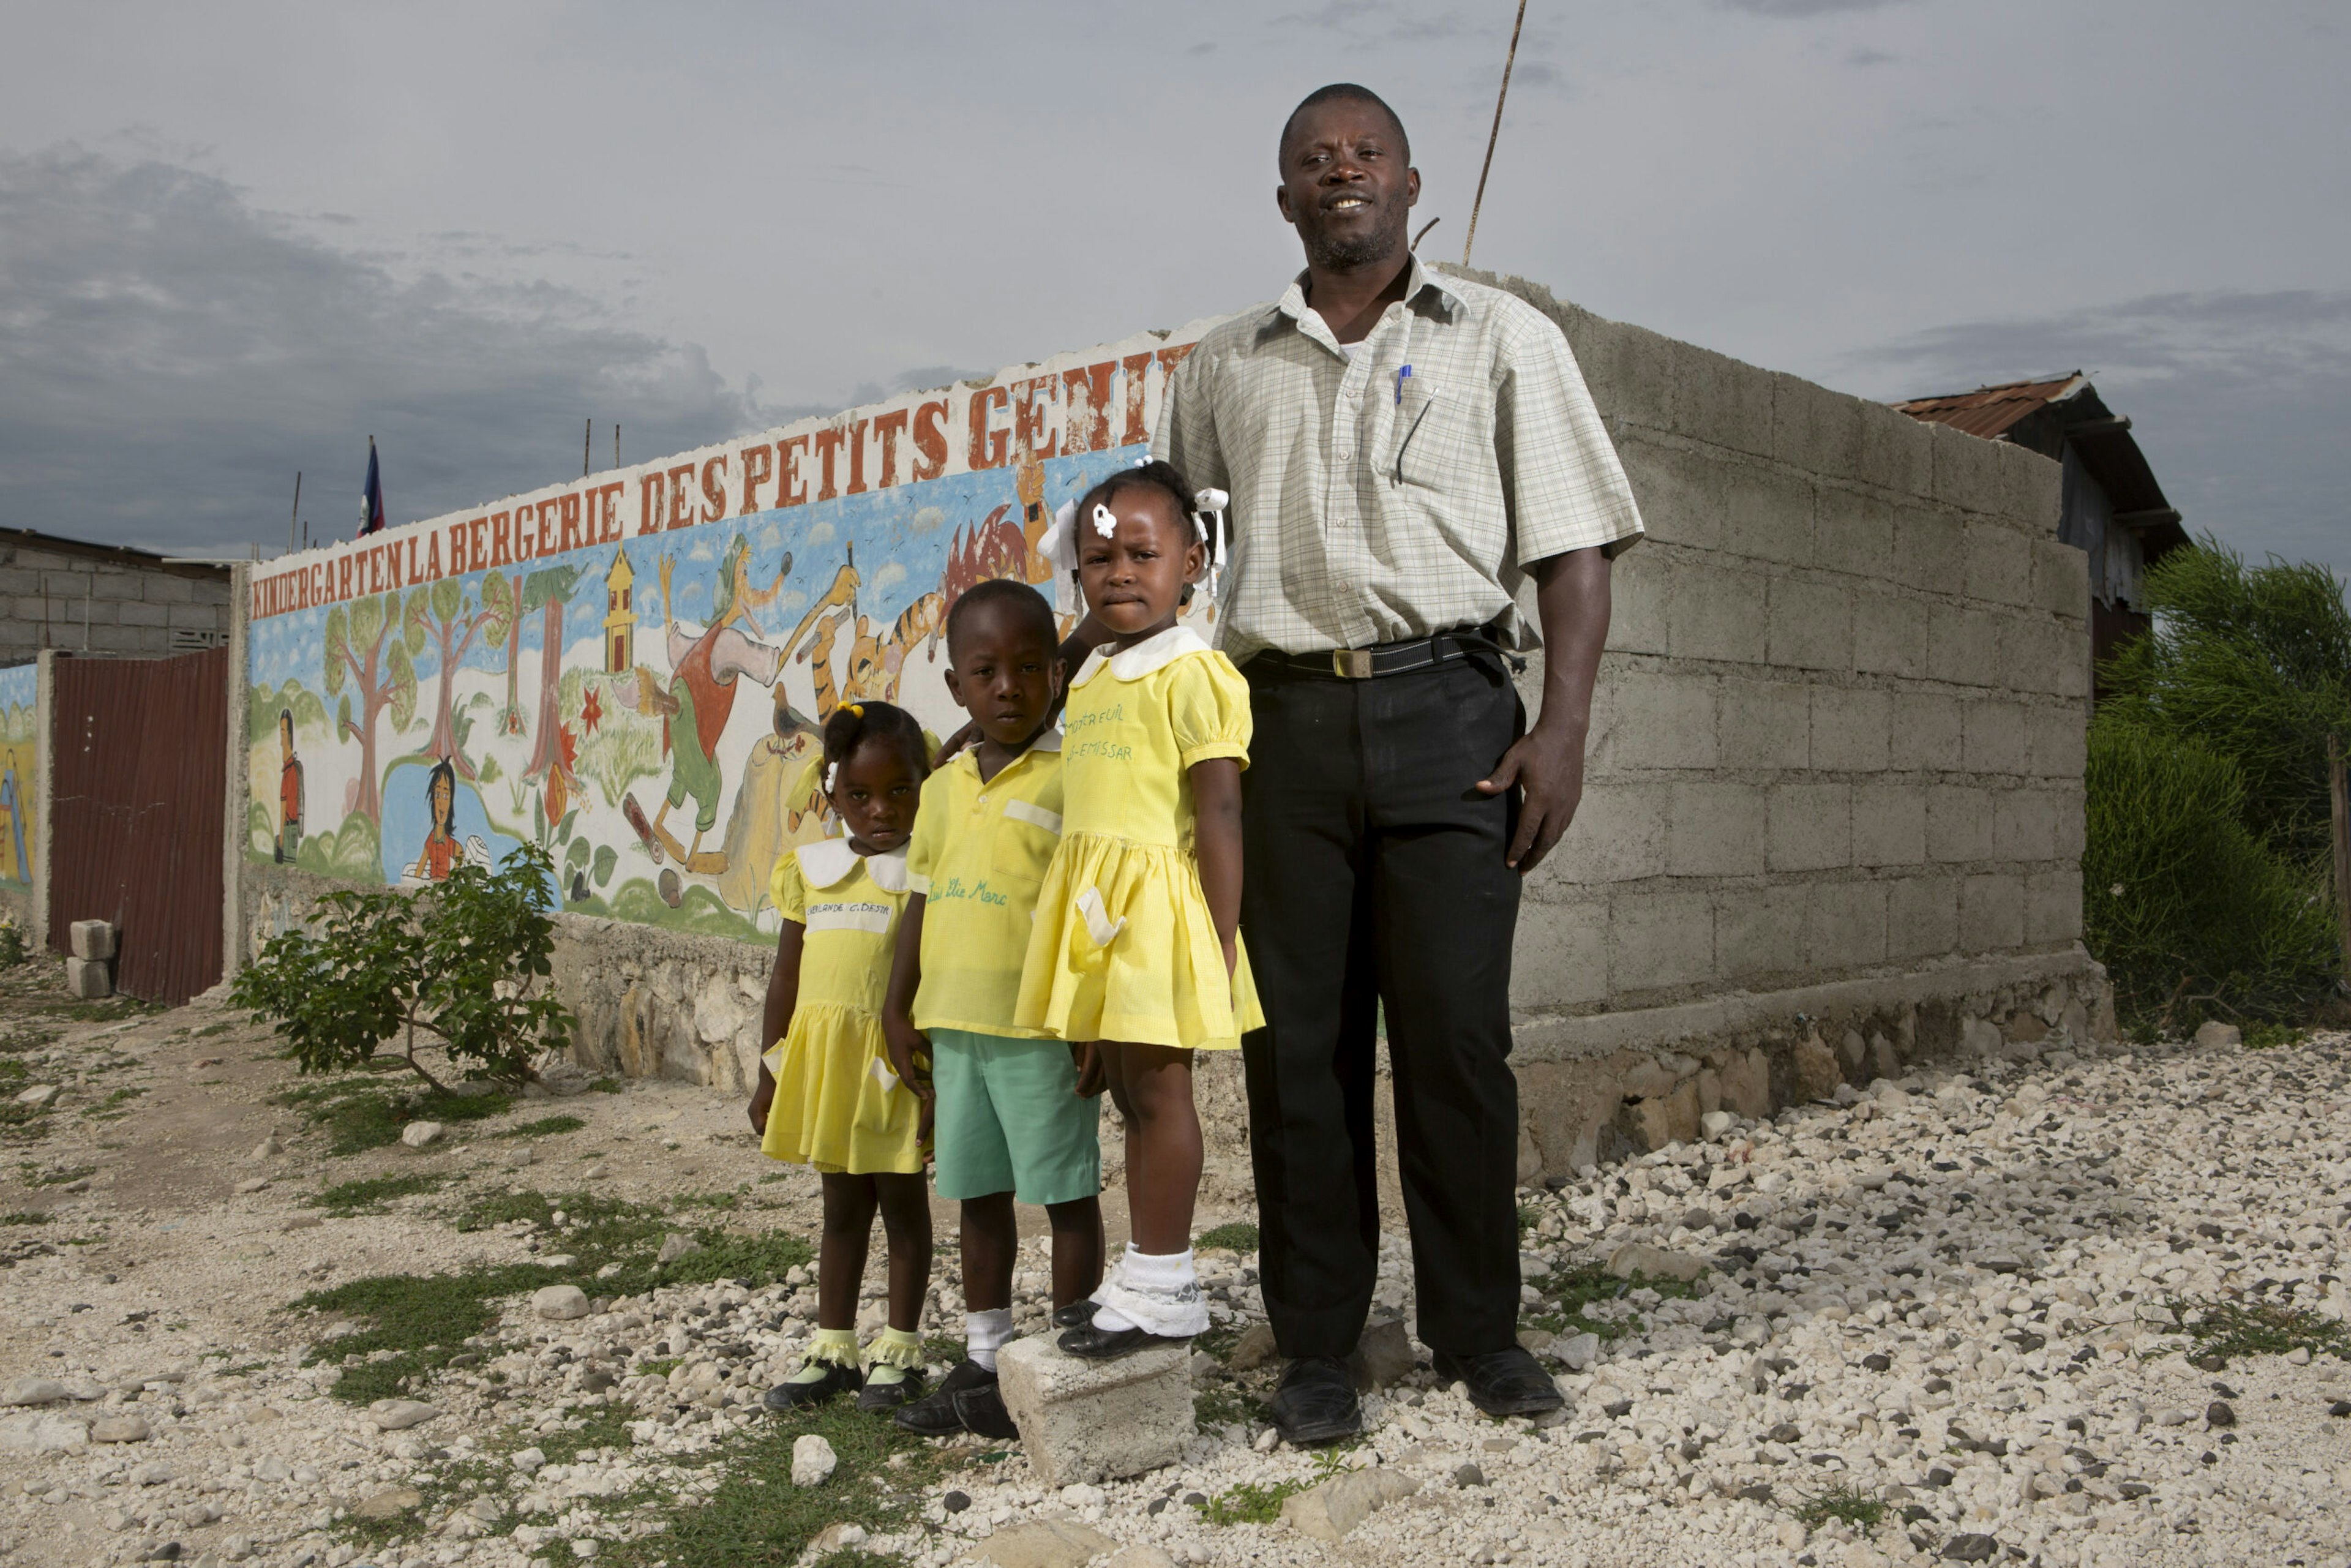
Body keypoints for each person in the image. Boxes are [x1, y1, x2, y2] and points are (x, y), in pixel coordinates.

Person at [1153, 84, 1644, 1440]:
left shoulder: (1503, 339)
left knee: (1456, 1043)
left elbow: (1574, 552)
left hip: (1453, 722)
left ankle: (1480, 1330)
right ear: (1285, 199)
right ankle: (1318, 1343)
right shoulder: (1224, 365)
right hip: (1281, 729)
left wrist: (1564, 728)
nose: (1341, 172)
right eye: (1315, 160)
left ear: (1412, 182)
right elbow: (1175, 557)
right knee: (1297, 1051)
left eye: (1364, 153)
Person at [1014, 461, 1259, 1359]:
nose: (1119, 572)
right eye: (1097, 557)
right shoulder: (1094, 672)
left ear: (1191, 561)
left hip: (1158, 916)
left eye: (1142, 554)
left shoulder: (1192, 672)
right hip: (1095, 914)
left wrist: (1220, 941)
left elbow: (1220, 811)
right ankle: (1147, 1268)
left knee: (1160, 1093)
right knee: (1125, 1091)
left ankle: (1168, 1278)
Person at [881, 578, 1108, 1439]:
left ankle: (1074, 1354)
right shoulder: (939, 788)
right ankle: (985, 1360)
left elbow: (1094, 899)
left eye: (1026, 668)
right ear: (957, 688)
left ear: (1057, 673)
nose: (1007, 686)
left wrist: (1090, 1012)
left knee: (1065, 1194)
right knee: (978, 1194)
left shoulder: (1075, 773)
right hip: (955, 1027)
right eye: (986, 671)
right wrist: (899, 1009)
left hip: (1041, 1029)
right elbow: (922, 901)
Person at [746, 700, 934, 1411]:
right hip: (825, 1064)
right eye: (859, 795)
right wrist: (770, 1069)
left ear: (924, 784)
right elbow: (786, 978)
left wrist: (932, 1077)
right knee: (840, 1208)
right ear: (832, 794)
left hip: (891, 1064)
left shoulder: (926, 868)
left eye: (899, 790)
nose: (880, 809)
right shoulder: (809, 869)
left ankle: (902, 1347)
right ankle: (834, 1347)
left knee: (904, 1205)